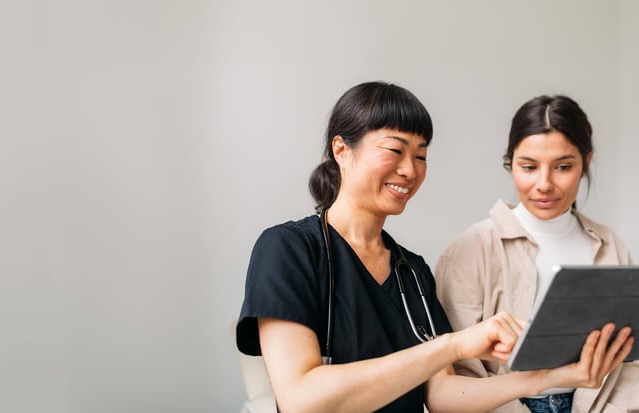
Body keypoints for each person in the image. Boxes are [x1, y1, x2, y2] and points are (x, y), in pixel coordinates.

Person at [235, 82, 633, 413]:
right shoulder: (288, 249)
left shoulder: (412, 271)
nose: (409, 170)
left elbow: (441, 396)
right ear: (341, 150)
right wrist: (454, 344)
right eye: (395, 150)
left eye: (420, 155)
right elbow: (302, 400)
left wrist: (556, 377)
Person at [435, 94, 639, 413]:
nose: (544, 184)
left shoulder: (609, 244)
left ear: (586, 162)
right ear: (510, 162)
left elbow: (628, 360)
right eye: (528, 166)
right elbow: (460, 374)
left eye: (563, 167)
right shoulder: (469, 248)